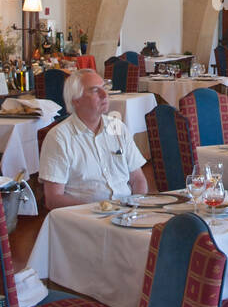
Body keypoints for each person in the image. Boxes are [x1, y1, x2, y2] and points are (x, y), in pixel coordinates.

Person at [39, 68, 148, 211]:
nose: (105, 95)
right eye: (95, 90)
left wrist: (135, 208)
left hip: (126, 213)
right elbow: (53, 199)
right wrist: (99, 210)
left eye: (104, 88)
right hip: (85, 219)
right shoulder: (59, 138)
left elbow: (138, 179)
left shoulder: (117, 127)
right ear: (76, 100)